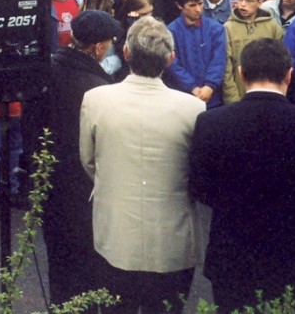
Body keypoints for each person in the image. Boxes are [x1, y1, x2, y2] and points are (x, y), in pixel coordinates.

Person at [191, 39, 295, 314]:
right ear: (289, 74)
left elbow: (200, 188)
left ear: (240, 74)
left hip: (234, 254)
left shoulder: (211, 123)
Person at [80, 17, 203, 313]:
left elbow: (88, 161)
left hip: (115, 238)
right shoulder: (194, 108)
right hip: (171, 243)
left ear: (125, 53)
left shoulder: (96, 99)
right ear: (170, 59)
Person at [43, 10, 120, 305]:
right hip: (84, 190)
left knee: (60, 269)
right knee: (88, 269)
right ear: (98, 47)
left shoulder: (49, 69)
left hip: (51, 185)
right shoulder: (99, 88)